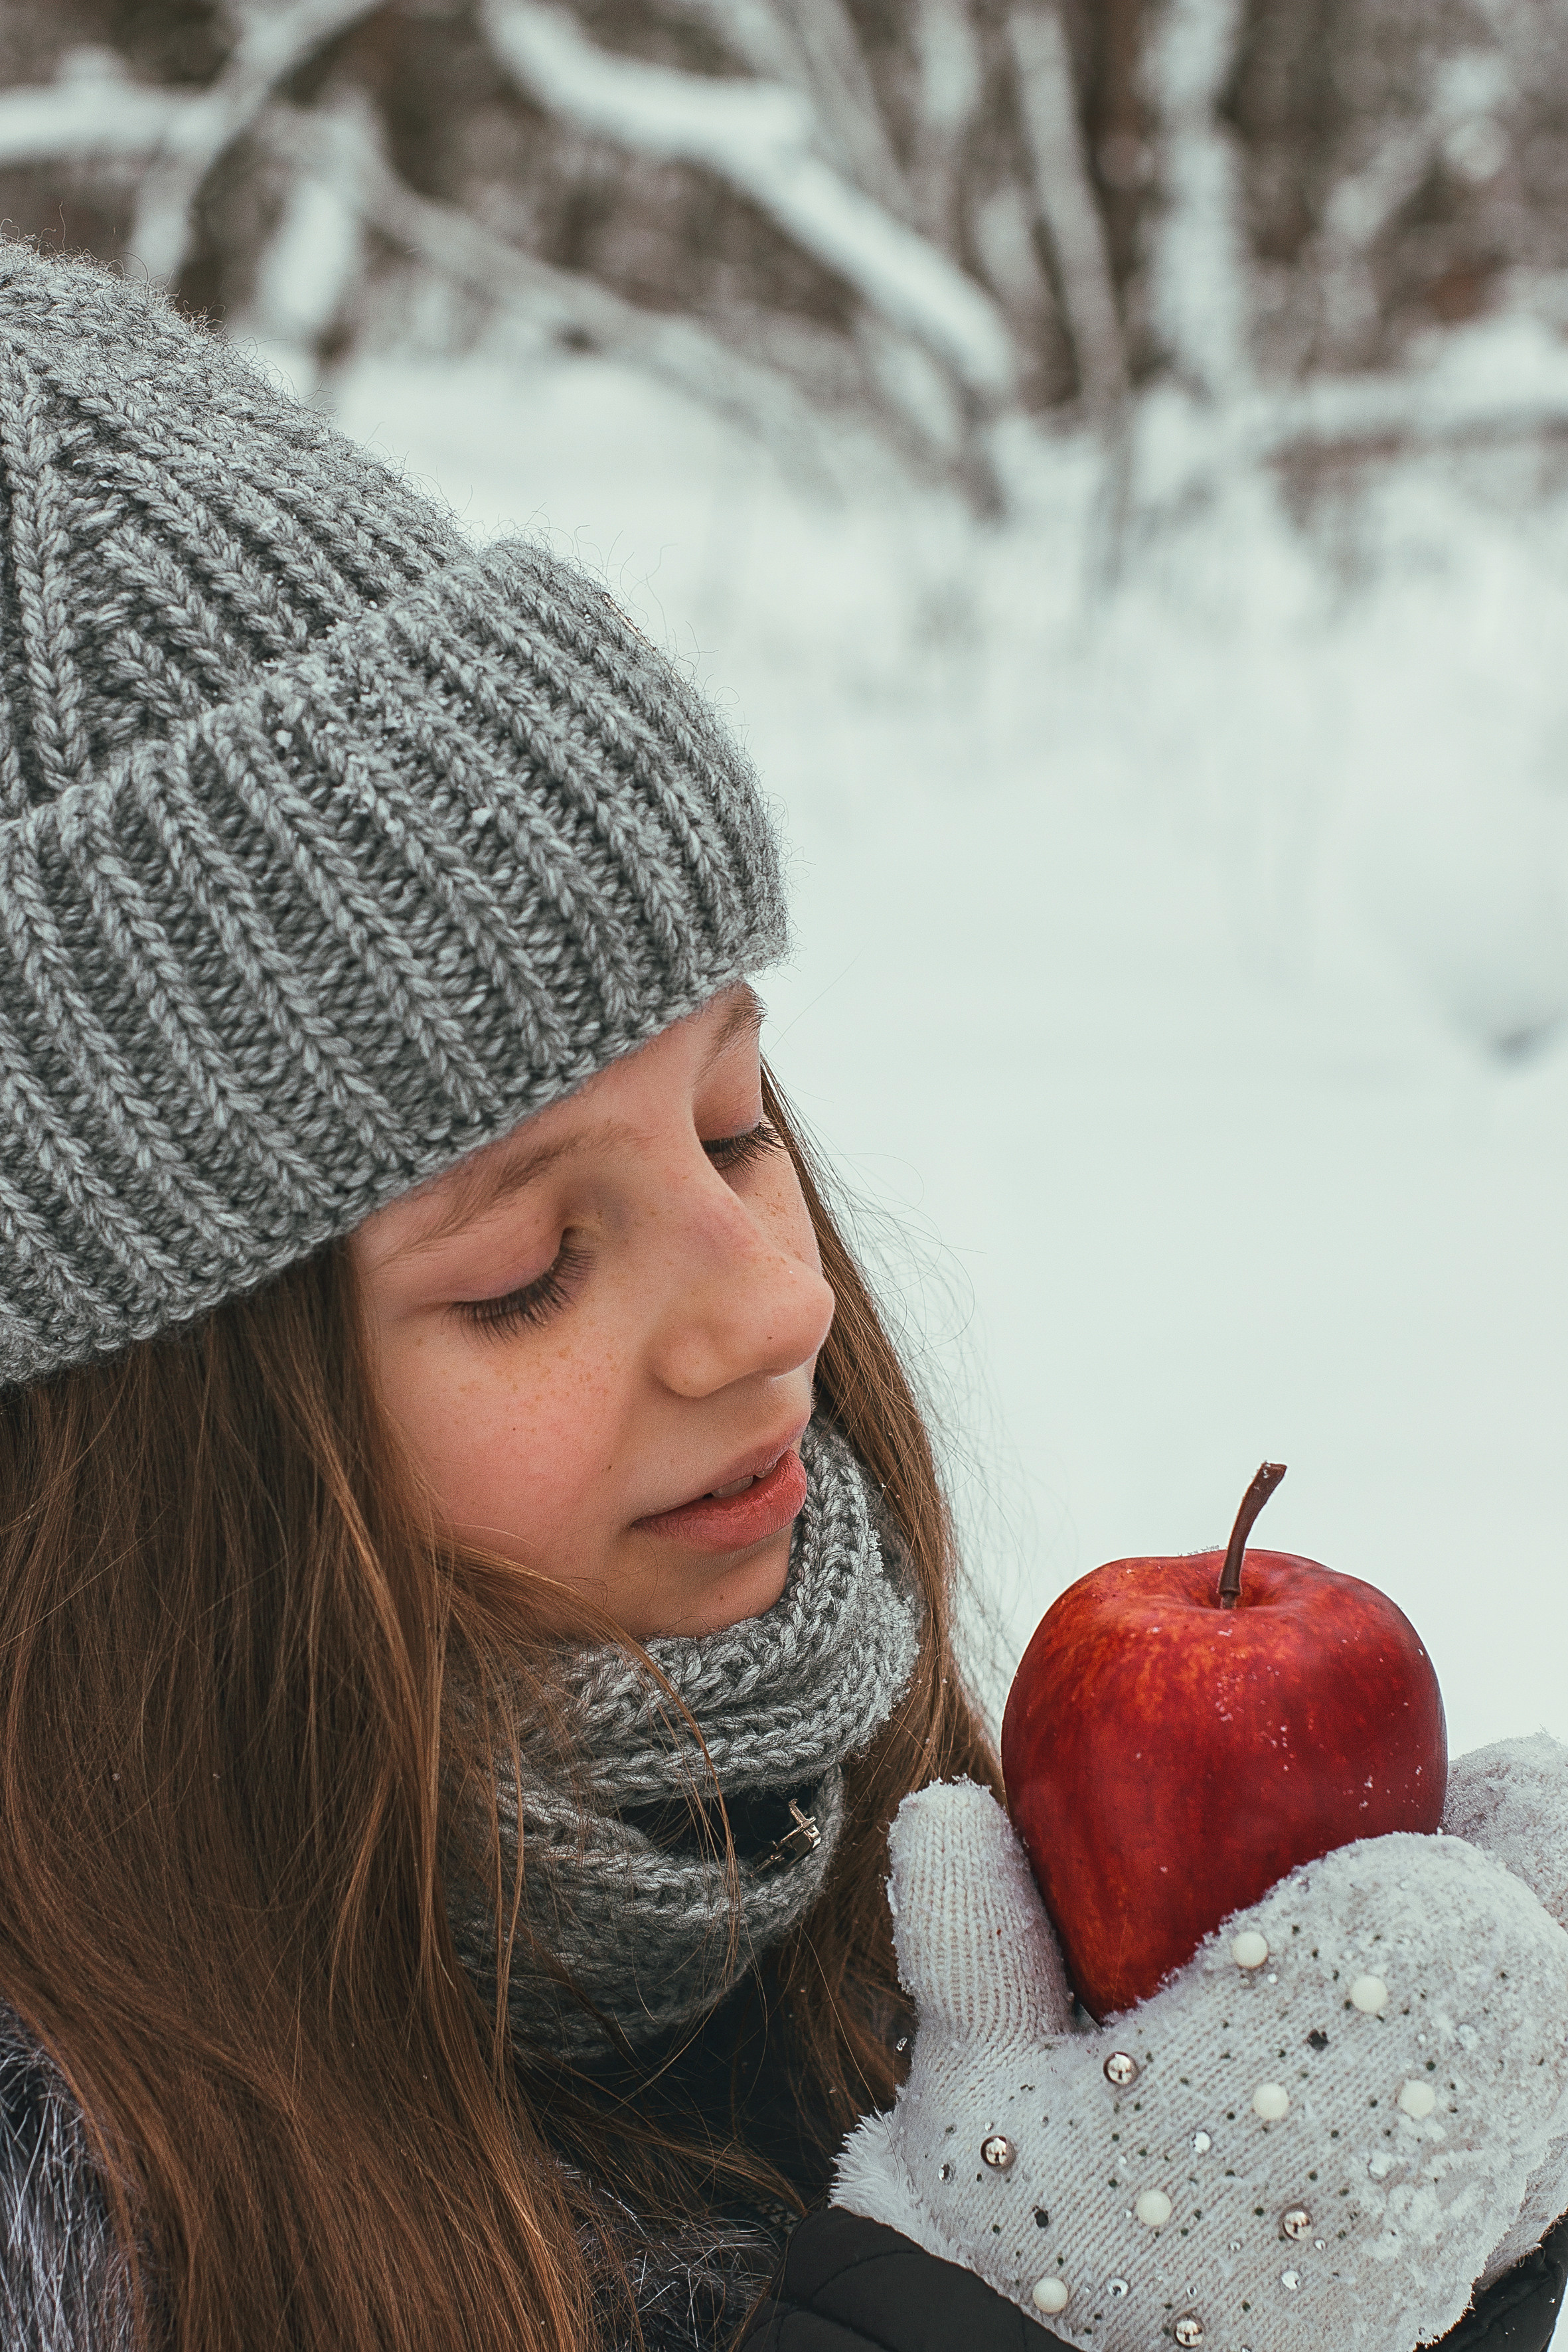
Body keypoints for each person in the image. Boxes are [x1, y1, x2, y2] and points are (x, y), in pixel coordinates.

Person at [0, 239, 1563, 2352]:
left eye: (734, 1125)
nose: (772, 1313)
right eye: (528, 1271)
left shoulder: (828, 1840)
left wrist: (1378, 2278)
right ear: (113, 1460)